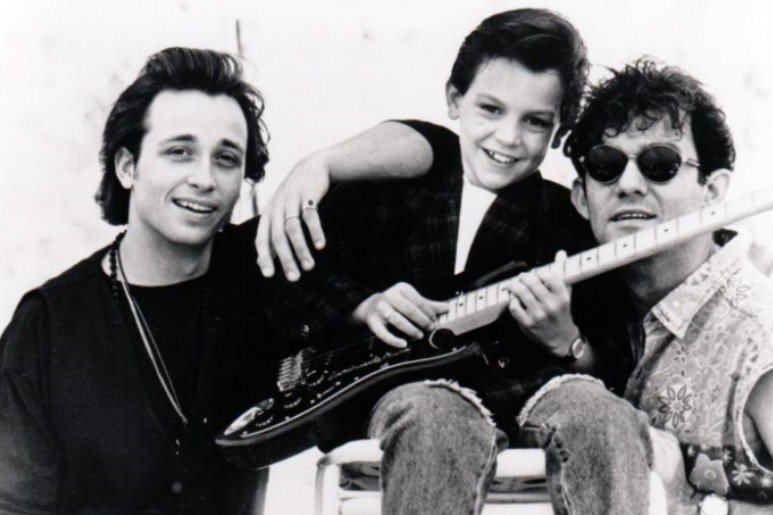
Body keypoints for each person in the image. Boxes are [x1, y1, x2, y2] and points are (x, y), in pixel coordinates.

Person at [258, 9, 642, 514]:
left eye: (535, 121)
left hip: (537, 388)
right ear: (454, 99)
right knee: (434, 416)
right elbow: (290, 284)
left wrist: (567, 340)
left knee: (602, 415)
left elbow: (614, 360)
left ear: (559, 128)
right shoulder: (388, 192)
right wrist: (366, 306)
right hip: (409, 396)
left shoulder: (568, 221)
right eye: (490, 109)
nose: (508, 138)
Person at [0, 47, 276, 514]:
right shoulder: (48, 324)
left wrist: (322, 168)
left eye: (227, 159)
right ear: (128, 167)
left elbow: (436, 162)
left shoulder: (262, 283)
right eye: (179, 152)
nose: (204, 179)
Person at [514, 58, 773, 514]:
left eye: (660, 163)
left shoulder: (759, 329)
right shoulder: (587, 309)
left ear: (713, 191)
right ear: (580, 196)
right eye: (605, 165)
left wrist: (690, 468)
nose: (629, 184)